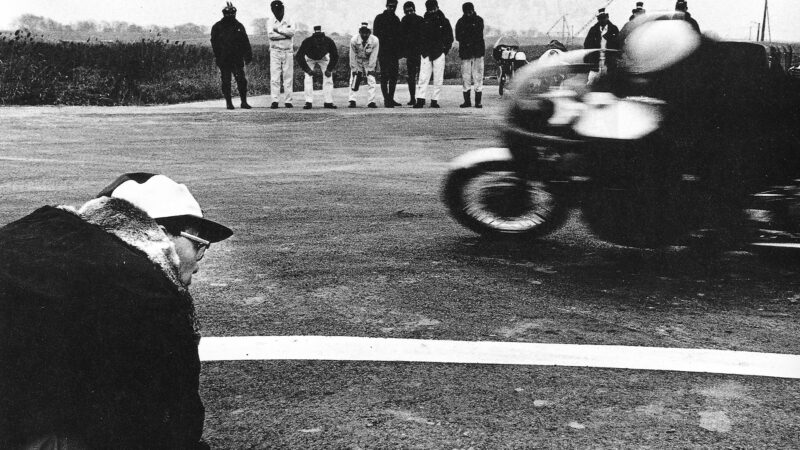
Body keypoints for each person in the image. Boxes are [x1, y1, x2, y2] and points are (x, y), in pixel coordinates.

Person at [0, 173, 233, 449]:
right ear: (160, 232)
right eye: (198, 244)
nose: (199, 259)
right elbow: (173, 419)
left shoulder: (38, 232)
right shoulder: (148, 292)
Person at [210, 2, 253, 110]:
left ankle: (244, 102)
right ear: (224, 14)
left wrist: (248, 55)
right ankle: (229, 103)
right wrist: (218, 57)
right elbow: (214, 43)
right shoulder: (217, 26)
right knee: (226, 80)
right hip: (224, 59)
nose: (231, 15)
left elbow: (245, 41)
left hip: (237, 58)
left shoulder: (239, 26)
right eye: (228, 13)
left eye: (233, 13)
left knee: (242, 80)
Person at [414, 0, 453, 108]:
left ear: (437, 7)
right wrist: (422, 50)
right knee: (423, 77)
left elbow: (449, 37)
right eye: (429, 8)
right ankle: (420, 99)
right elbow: (419, 37)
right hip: (426, 53)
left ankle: (434, 100)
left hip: (438, 52)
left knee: (438, 77)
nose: (431, 10)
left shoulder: (444, 21)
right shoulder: (423, 21)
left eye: (432, 8)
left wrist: (444, 50)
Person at [296, 25, 339, 109]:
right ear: (313, 36)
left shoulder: (328, 41)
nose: (319, 39)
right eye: (317, 37)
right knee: (308, 78)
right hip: (310, 58)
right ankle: (308, 102)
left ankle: (328, 102)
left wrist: (329, 69)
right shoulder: (307, 41)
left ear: (323, 35)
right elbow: (299, 56)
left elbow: (335, 55)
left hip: (323, 58)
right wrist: (307, 70)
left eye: (321, 37)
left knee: (328, 77)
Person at [373, 0, 404, 107]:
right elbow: (375, 37)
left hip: (394, 53)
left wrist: (399, 53)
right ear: (386, 6)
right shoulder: (379, 18)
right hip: (383, 53)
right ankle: (387, 99)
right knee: (384, 76)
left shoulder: (396, 19)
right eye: (390, 6)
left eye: (394, 7)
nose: (392, 8)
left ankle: (390, 98)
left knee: (393, 76)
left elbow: (400, 38)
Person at [455, 2, 485, 108]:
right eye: (466, 10)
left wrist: (467, 39)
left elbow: (476, 34)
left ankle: (477, 101)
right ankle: (468, 101)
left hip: (475, 53)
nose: (468, 12)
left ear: (473, 9)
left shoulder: (478, 20)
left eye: (470, 10)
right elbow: (458, 37)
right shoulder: (461, 22)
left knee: (478, 77)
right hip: (467, 53)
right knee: (466, 77)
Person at [267, 0, 295, 108]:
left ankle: (288, 101)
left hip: (288, 51)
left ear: (283, 9)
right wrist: (285, 33)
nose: (277, 12)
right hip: (275, 51)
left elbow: (292, 32)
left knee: (288, 76)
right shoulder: (270, 21)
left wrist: (278, 30)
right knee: (275, 77)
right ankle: (275, 100)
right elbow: (271, 35)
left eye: (278, 10)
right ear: (272, 10)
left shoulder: (290, 19)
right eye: (274, 10)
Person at [583, 7, 620, 84]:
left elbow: (618, 44)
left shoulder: (613, 29)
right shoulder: (593, 30)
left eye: (603, 18)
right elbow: (586, 44)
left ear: (607, 18)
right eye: (600, 18)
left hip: (609, 63)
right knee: (591, 82)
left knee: (610, 83)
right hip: (596, 62)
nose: (602, 20)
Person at [349, 22, 380, 108]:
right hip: (357, 59)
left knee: (371, 79)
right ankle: (352, 100)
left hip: (368, 60)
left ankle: (371, 101)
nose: (364, 34)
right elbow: (352, 55)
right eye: (362, 32)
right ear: (359, 32)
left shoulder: (375, 40)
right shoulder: (354, 40)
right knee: (354, 79)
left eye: (367, 32)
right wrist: (354, 69)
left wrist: (371, 69)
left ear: (370, 33)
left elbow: (374, 56)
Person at [401, 1, 424, 106]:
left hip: (420, 52)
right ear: (404, 12)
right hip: (410, 53)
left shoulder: (420, 20)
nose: (409, 13)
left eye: (410, 10)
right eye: (407, 11)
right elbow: (402, 37)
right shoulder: (404, 20)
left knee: (421, 76)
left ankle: (421, 97)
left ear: (414, 10)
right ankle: (412, 98)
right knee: (411, 76)